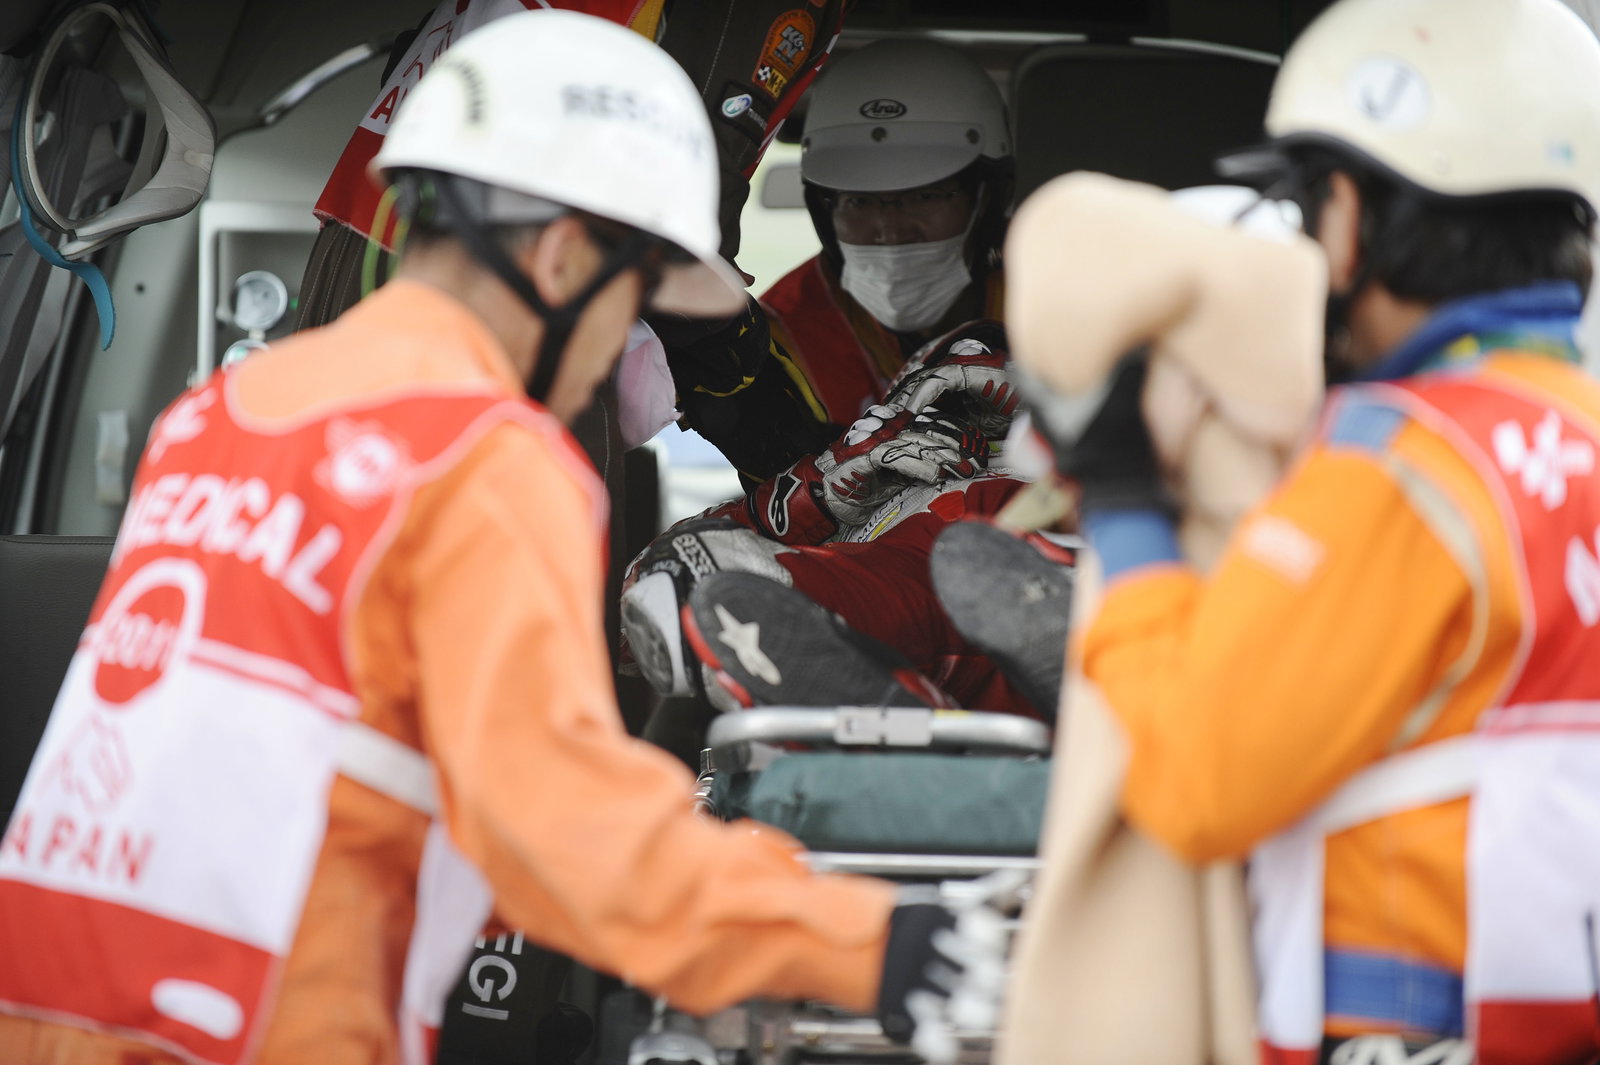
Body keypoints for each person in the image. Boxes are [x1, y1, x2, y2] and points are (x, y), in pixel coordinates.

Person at [0, 13, 1002, 1065]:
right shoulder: (486, 459)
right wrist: (879, 946)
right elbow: (564, 835)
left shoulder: (219, 416)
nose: (635, 355)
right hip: (245, 1028)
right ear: (563, 258)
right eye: (637, 304)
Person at [1028, 0, 1600, 1061]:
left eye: (1302, 204)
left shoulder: (1399, 466)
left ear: (1345, 213)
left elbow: (1199, 784)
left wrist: (1127, 510)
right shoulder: (1579, 430)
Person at [661, 36, 1014, 481]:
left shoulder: (1061, 308)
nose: (890, 228)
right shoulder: (775, 343)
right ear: (823, 210)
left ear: (986, 198)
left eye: (924, 196)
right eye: (860, 201)